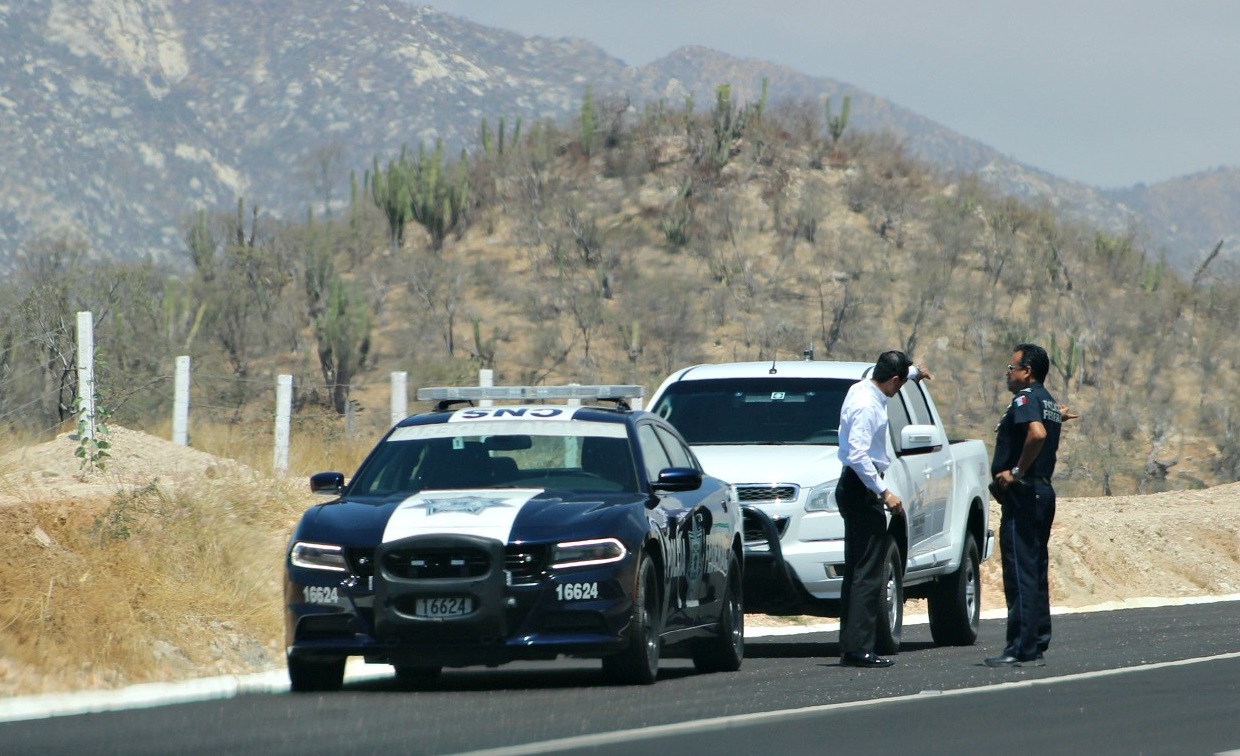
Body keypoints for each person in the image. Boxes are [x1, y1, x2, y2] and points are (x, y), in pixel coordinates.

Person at [836, 350, 929, 668]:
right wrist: (885, 492)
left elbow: (887, 375)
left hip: (853, 487)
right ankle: (859, 648)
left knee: (857, 569)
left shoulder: (862, 386)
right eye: (900, 384)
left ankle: (851, 643)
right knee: (868, 572)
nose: (899, 389)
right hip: (862, 489)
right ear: (892, 380)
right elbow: (859, 456)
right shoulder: (867, 406)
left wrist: (914, 372)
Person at [985, 343, 1063, 668]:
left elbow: (1037, 433)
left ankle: (1020, 646)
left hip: (1025, 494)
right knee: (1036, 568)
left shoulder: (1026, 399)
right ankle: (1037, 640)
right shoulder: (1049, 401)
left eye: (1012, 367)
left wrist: (1016, 472)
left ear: (1027, 372)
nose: (1008, 372)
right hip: (1042, 493)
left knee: (1020, 571)